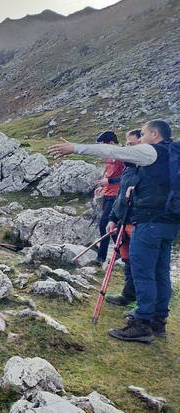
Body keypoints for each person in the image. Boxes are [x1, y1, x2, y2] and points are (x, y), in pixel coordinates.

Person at [48, 120, 178, 343]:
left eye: (144, 133)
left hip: (149, 223)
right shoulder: (172, 154)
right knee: (160, 272)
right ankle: (158, 320)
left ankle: (142, 324)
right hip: (169, 223)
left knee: (143, 272)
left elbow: (113, 151)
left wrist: (75, 148)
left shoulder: (151, 152)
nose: (140, 138)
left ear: (155, 135)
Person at [106, 130, 141, 307]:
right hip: (122, 220)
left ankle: (145, 306)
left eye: (132, 144)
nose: (128, 148)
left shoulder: (147, 169)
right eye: (127, 144)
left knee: (140, 263)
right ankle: (128, 295)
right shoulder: (129, 167)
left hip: (137, 222)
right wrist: (112, 218)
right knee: (127, 260)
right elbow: (120, 195)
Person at [94, 131, 125, 266]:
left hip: (116, 194)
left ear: (111, 143)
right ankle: (120, 251)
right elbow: (107, 172)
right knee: (108, 226)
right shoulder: (108, 155)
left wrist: (109, 181)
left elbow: (125, 176)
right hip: (107, 193)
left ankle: (101, 257)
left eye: (103, 144)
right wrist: (103, 185)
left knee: (103, 225)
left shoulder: (122, 155)